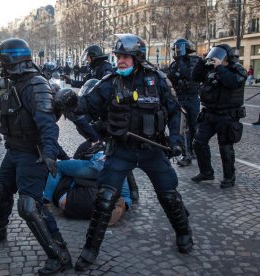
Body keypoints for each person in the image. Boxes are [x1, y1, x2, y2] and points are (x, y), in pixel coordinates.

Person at [61, 34, 192, 271]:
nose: (119, 60)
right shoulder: (110, 82)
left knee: (169, 195)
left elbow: (176, 111)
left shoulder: (157, 79)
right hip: (121, 150)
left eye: (125, 57)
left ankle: (184, 232)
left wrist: (175, 140)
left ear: (137, 57)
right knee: (104, 199)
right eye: (118, 56)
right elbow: (87, 105)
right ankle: (90, 250)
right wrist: (70, 101)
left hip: (152, 149)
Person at [0, 38, 72, 275]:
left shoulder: (36, 84)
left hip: (32, 154)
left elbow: (48, 125)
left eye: (2, 60)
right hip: (14, 150)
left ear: (11, 59)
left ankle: (60, 255)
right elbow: (7, 114)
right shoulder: (11, 83)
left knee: (29, 206)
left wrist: (49, 154)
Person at [191, 44, 247, 188]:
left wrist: (220, 68)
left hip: (227, 115)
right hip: (209, 113)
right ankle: (206, 172)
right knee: (198, 142)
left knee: (225, 147)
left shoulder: (237, 69)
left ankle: (229, 177)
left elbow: (233, 82)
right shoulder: (210, 69)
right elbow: (195, 77)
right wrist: (201, 63)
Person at [43, 143, 132, 225]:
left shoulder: (90, 144)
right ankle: (124, 206)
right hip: (114, 168)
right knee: (126, 195)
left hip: (96, 164)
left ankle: (46, 200)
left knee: (57, 167)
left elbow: (76, 157)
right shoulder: (118, 148)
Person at [167, 38, 201, 167]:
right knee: (183, 127)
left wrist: (181, 64)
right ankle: (186, 155)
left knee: (194, 126)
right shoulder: (174, 64)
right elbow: (171, 78)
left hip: (192, 98)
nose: (177, 52)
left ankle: (194, 150)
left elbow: (190, 75)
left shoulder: (194, 61)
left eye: (179, 49)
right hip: (180, 98)